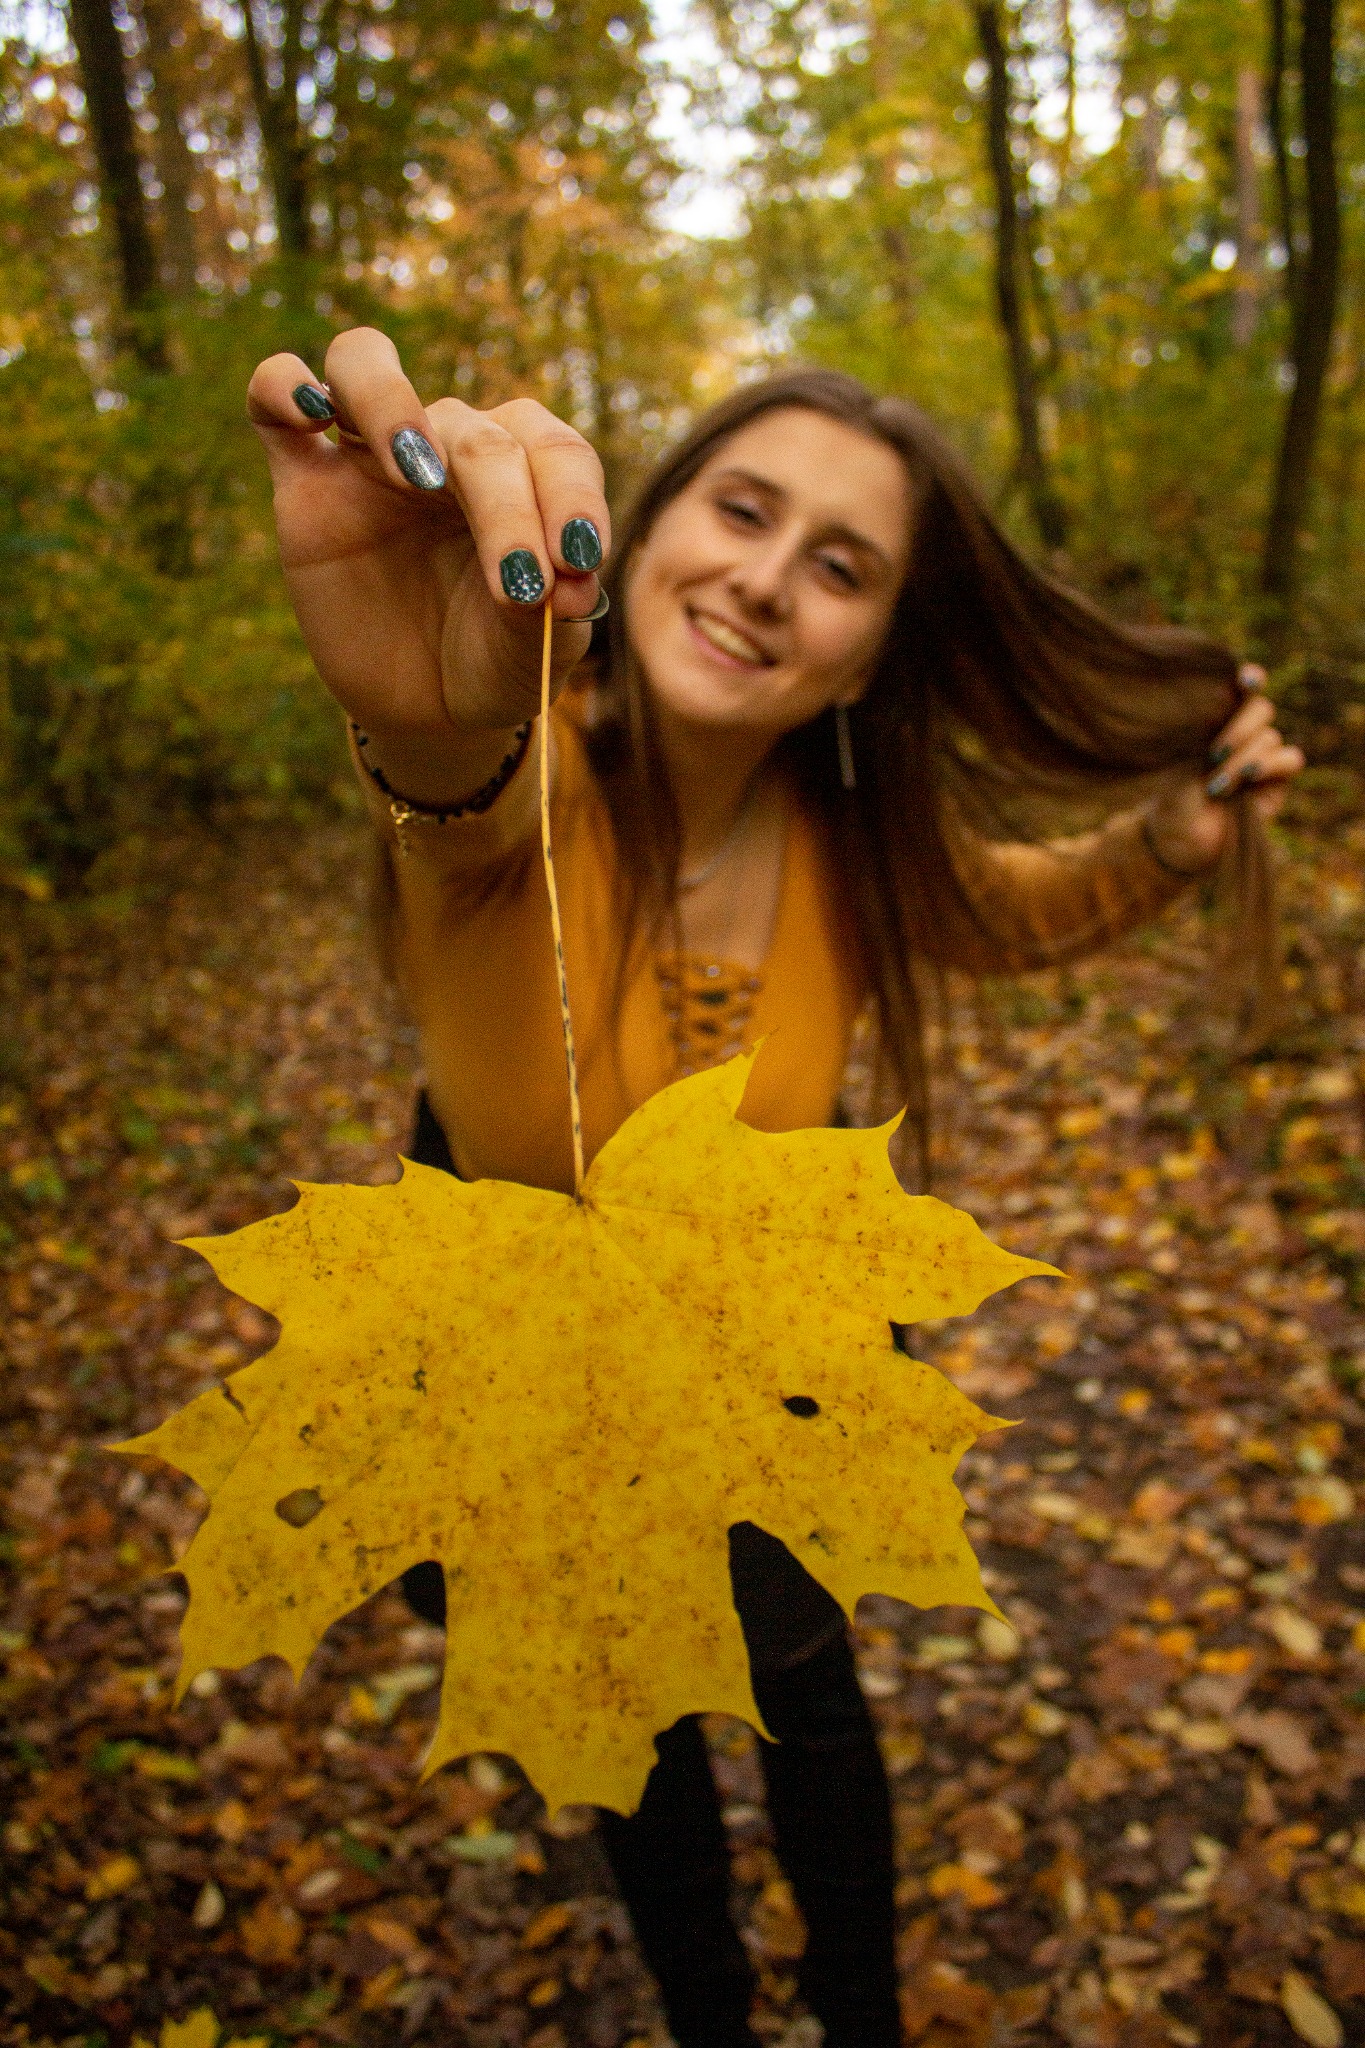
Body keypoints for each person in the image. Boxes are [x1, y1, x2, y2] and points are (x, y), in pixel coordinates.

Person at [247, 330, 1304, 2048]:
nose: (762, 581)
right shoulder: (523, 785)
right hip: (528, 1385)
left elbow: (1009, 906)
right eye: (740, 511)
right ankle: (714, 2015)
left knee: (809, 1697)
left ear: (869, 655)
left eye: (840, 567)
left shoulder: (848, 839)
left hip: (762, 1367)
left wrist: (1171, 841)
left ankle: (861, 2010)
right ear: (645, 524)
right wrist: (417, 705)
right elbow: (452, 790)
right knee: (637, 1727)